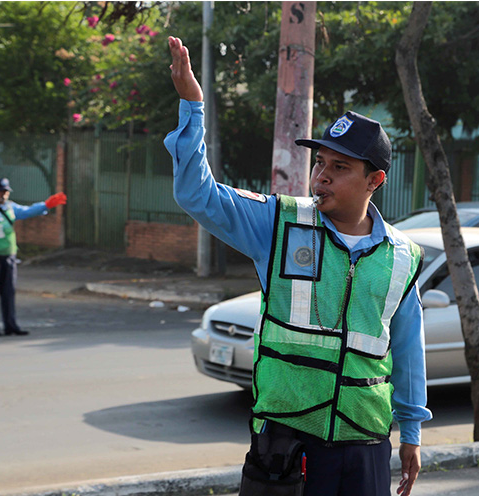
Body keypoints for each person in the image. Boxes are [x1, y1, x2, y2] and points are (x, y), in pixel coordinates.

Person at [166, 36, 431, 496]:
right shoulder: (279, 222)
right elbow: (197, 194)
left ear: (375, 180)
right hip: (285, 448)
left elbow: (407, 351)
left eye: (340, 167)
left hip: (364, 444)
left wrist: (411, 434)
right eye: (320, 162)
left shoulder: (401, 256)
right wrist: (193, 107)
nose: (321, 175)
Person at [0, 178, 67, 337]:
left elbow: (27, 211)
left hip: (8, 257)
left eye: (6, 192)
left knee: (8, 293)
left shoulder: (10, 207)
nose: (4, 194)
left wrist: (46, 205)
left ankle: (11, 325)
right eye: (1, 191)